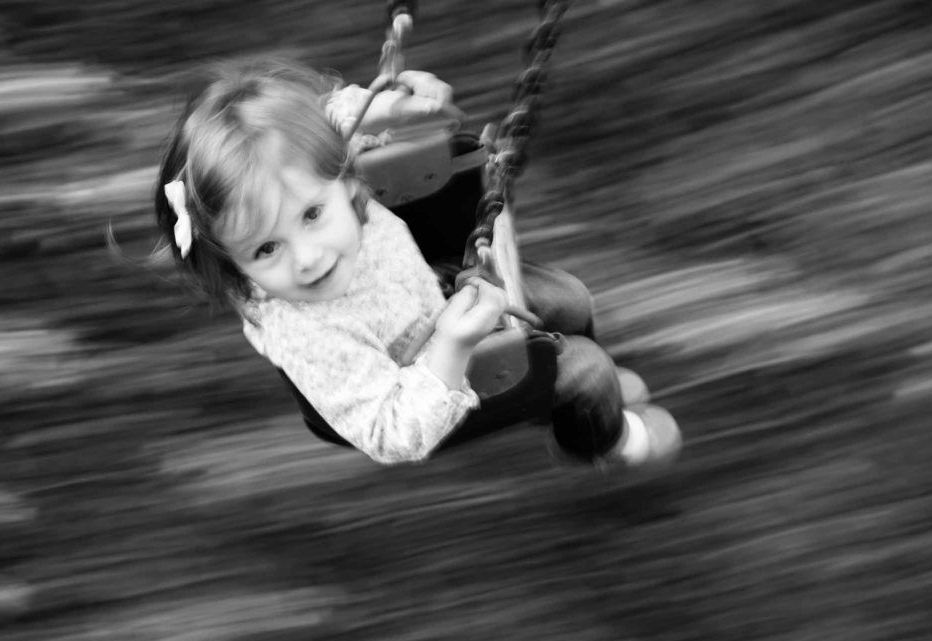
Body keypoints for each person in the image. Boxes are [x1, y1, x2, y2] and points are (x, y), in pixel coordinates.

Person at [150, 57, 681, 468]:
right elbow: (388, 432)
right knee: (585, 370)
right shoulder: (309, 335)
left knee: (570, 298)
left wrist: (387, 109)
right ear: (234, 263)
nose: (307, 259)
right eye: (266, 250)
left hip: (430, 293)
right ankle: (606, 442)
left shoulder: (309, 157)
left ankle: (574, 406)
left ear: (344, 175)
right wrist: (450, 347)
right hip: (422, 381)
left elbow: (336, 117)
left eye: (312, 214)